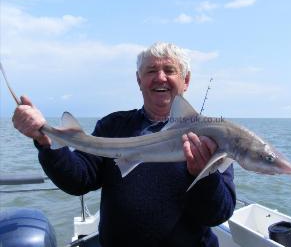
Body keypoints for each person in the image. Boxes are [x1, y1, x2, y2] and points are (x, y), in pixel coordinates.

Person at [12, 42, 236, 247]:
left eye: (169, 70)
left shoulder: (211, 136)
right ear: (139, 80)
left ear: (185, 80)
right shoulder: (113, 127)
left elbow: (218, 214)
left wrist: (204, 175)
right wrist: (45, 141)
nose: (160, 77)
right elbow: (78, 180)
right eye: (150, 71)